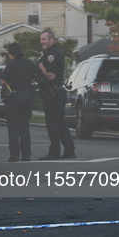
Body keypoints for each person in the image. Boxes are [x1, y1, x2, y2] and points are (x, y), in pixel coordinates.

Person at [36, 30, 76, 160]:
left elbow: (51, 76)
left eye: (44, 39)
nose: (42, 42)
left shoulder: (51, 54)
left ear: (51, 39)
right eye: (41, 39)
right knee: (60, 122)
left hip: (52, 93)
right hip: (56, 92)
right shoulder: (54, 52)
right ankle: (69, 150)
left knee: (53, 123)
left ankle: (54, 151)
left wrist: (41, 67)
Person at [0, 43, 36, 162]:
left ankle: (15, 155)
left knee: (13, 127)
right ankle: (27, 155)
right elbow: (32, 79)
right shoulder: (29, 64)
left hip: (14, 97)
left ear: (11, 54)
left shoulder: (11, 65)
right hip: (27, 96)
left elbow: (3, 81)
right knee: (24, 127)